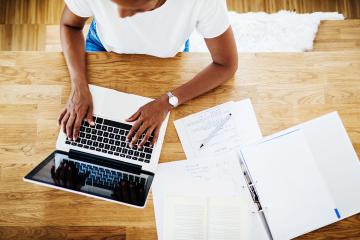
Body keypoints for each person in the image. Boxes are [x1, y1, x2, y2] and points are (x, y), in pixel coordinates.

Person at [58, 0, 238, 149]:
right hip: (103, 47)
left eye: (133, 8)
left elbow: (226, 64)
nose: (120, 15)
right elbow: (69, 25)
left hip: (168, 58)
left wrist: (167, 101)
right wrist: (79, 86)